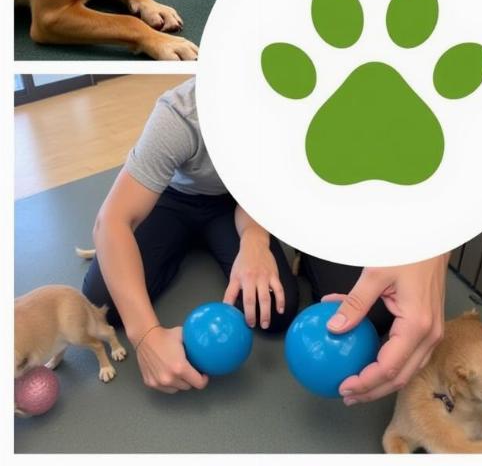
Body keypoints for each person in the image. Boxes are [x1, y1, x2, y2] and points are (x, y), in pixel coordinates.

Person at [83, 78, 447, 401]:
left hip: (245, 203)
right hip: (172, 200)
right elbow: (111, 222)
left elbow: (266, 188)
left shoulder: (302, 105)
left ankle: (300, 258)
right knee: (104, 306)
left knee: (276, 310)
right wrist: (145, 335)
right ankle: (180, 248)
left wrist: (254, 239)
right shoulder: (183, 112)